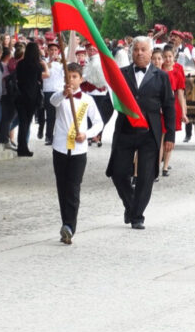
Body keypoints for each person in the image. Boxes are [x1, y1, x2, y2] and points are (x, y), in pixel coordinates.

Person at [107, 36, 175, 230]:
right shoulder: (121, 74)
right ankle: (130, 205)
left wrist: (170, 135)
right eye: (136, 49)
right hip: (125, 130)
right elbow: (110, 99)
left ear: (151, 52)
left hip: (149, 131)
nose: (139, 53)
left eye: (143, 49)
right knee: (119, 173)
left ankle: (137, 216)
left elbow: (169, 106)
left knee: (146, 176)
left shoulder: (161, 76)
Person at [50, 63, 103, 245]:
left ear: (81, 79)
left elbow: (98, 123)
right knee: (62, 188)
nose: (71, 80)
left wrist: (86, 134)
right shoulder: (60, 96)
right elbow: (53, 101)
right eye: (68, 77)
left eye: (74, 77)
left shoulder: (87, 100)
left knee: (73, 188)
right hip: (60, 148)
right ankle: (66, 223)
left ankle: (70, 226)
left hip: (79, 150)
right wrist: (64, 93)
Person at [15, 42, 49, 156]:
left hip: (20, 95)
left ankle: (21, 146)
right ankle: (24, 147)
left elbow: (18, 78)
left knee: (22, 122)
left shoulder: (20, 64)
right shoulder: (37, 65)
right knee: (27, 122)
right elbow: (40, 79)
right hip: (32, 96)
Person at [161, 45, 187, 175]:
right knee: (161, 135)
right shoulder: (158, 69)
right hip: (159, 106)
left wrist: (183, 111)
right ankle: (157, 163)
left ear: (174, 56)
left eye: (170, 56)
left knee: (170, 136)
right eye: (165, 57)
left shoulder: (178, 69)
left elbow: (181, 92)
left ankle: (165, 166)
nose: (167, 59)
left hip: (173, 105)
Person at [39, 42, 64, 145]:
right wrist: (48, 64)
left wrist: (61, 62)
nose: (53, 52)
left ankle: (54, 136)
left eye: (55, 50)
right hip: (47, 90)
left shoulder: (62, 63)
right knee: (49, 115)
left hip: (58, 91)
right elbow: (41, 73)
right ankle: (48, 135)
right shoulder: (43, 62)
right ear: (47, 51)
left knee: (56, 116)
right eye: (51, 50)